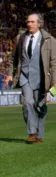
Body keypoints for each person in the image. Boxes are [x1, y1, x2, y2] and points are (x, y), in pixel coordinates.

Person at [6, 13, 56, 144]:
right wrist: (10, 74)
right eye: (28, 22)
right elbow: (14, 59)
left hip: (42, 78)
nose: (29, 24)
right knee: (28, 102)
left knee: (40, 106)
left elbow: (54, 63)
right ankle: (32, 133)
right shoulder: (20, 38)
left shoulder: (50, 40)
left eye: (32, 22)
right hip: (24, 76)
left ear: (39, 23)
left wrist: (54, 82)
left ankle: (40, 135)